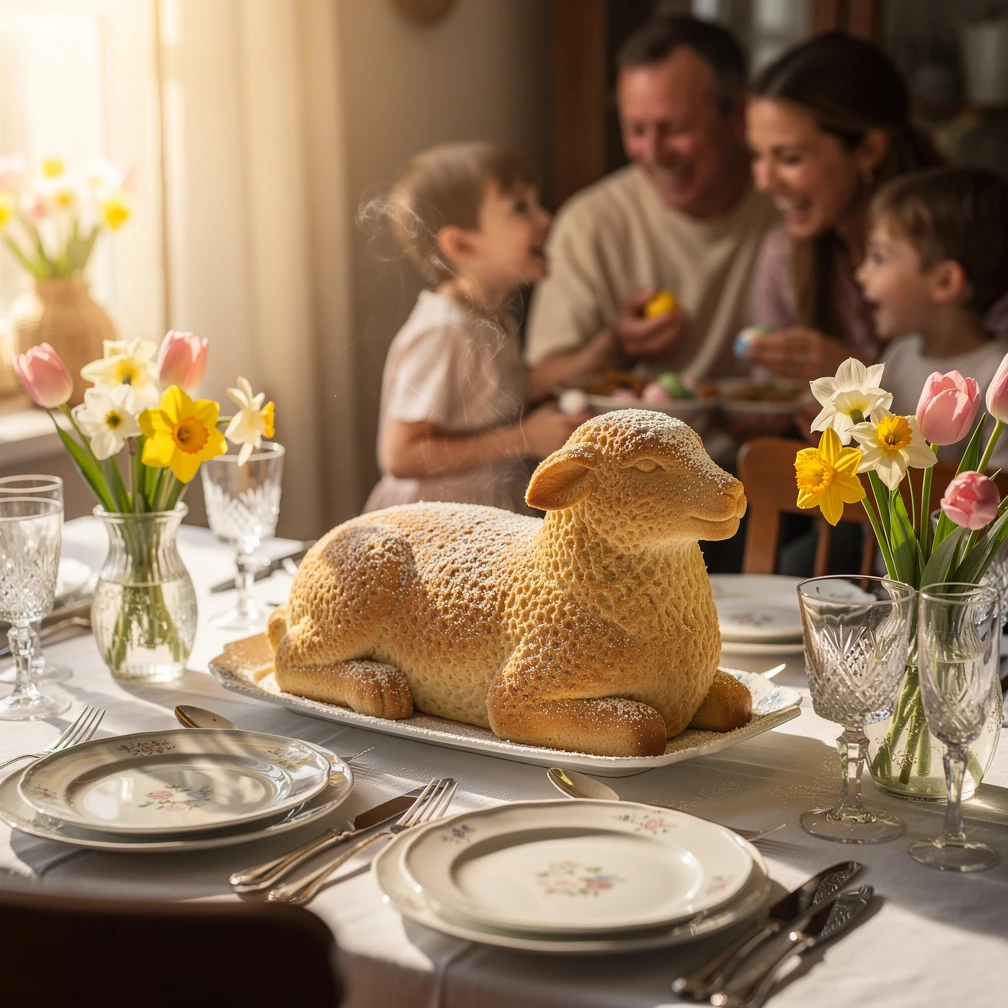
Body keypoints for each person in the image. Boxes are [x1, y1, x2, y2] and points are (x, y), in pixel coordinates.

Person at [526, 16, 777, 387]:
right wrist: (616, 347)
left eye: (674, 128)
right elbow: (539, 381)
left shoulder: (785, 208)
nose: (654, 153)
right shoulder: (589, 222)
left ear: (738, 113)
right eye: (636, 129)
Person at [364, 142, 604, 514]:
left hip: (479, 520)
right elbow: (401, 454)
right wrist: (524, 438)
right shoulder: (444, 332)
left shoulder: (493, 318)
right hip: (430, 528)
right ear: (461, 244)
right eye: (520, 208)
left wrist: (607, 348)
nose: (545, 219)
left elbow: (511, 388)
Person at [746, 31, 944, 383]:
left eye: (789, 158)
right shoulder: (783, 256)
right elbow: (769, 393)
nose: (764, 182)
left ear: (868, 150)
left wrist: (857, 379)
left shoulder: (959, 250)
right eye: (756, 155)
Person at [857, 165, 1008, 469]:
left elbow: (998, 487)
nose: (861, 274)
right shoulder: (899, 355)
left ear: (945, 282)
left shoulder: (998, 376)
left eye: (879, 258)